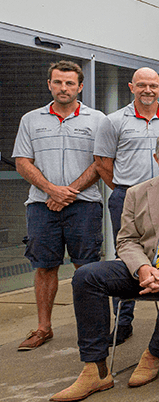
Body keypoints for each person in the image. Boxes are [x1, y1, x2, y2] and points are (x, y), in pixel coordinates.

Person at [51, 131, 159, 402]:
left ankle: (154, 353)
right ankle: (95, 368)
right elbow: (126, 240)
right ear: (156, 157)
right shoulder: (136, 193)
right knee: (86, 276)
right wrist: (143, 269)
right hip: (143, 266)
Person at [13, 61, 106, 350]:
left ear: (80, 87)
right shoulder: (31, 120)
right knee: (45, 266)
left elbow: (101, 162)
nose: (63, 88)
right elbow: (22, 161)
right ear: (49, 85)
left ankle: (92, 328)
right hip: (41, 205)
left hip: (84, 205)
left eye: (69, 83)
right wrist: (51, 190)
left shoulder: (98, 120)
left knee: (87, 268)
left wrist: (70, 191)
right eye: (58, 82)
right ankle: (43, 328)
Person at [94, 67, 159, 344]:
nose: (148, 90)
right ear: (131, 87)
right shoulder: (113, 121)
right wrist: (131, 192)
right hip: (127, 197)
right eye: (142, 85)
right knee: (129, 258)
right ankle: (123, 322)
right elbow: (103, 162)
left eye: (153, 86)